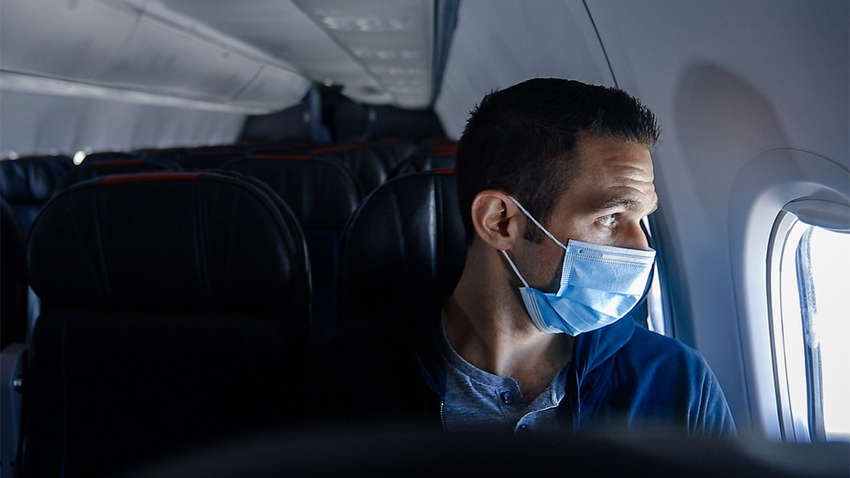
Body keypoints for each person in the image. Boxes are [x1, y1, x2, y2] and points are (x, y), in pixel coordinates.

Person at [315, 78, 735, 436]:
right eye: (610, 218)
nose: (643, 248)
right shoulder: (349, 383)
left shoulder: (676, 383)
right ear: (500, 222)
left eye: (643, 219)